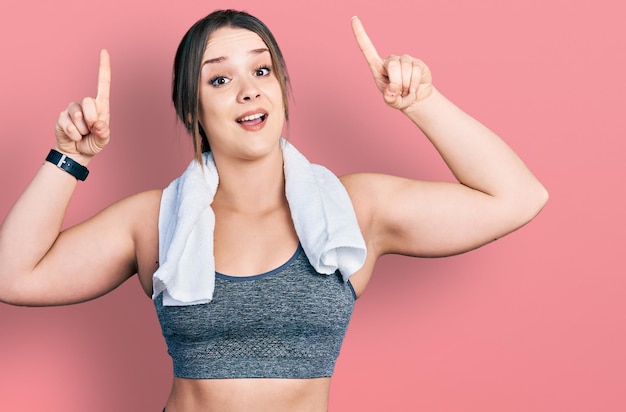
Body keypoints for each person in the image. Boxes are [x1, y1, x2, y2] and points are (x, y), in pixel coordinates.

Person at [0, 9, 547, 412]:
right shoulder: (156, 219)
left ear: (282, 87)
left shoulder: (354, 210)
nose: (247, 91)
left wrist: (420, 102)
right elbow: (14, 276)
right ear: (193, 109)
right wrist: (70, 157)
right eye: (220, 79)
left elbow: (517, 197)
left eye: (261, 72)